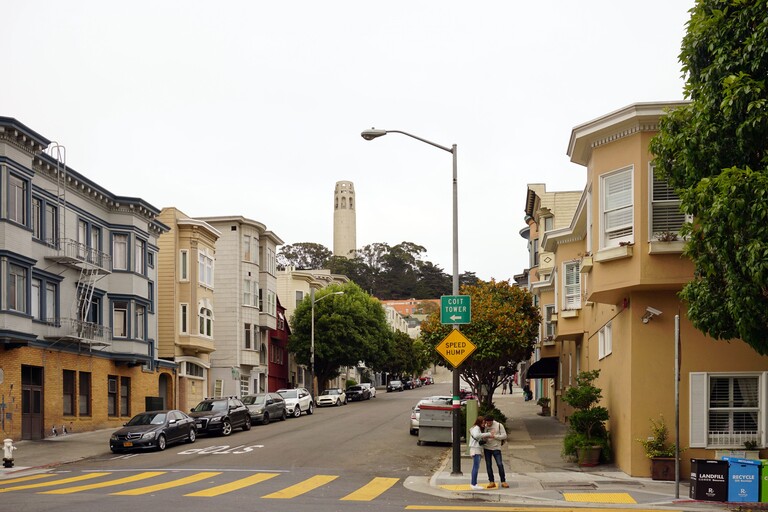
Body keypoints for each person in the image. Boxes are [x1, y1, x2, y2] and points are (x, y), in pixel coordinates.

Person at [482, 416, 509, 488]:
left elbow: (504, 436)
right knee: (488, 465)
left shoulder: (499, 425)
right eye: (487, 422)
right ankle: (491, 481)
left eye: (490, 422)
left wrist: (495, 436)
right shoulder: (484, 426)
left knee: (500, 464)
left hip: (496, 447)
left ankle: (503, 481)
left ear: (492, 421)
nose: (488, 424)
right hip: (487, 447)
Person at [468, 416, 491, 490]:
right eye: (483, 423)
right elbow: (476, 435)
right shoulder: (476, 428)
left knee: (476, 467)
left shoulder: (476, 428)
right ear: (480, 422)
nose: (484, 424)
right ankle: (473, 484)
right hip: (475, 449)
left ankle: (474, 483)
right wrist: (488, 434)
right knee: (476, 467)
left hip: (476, 448)